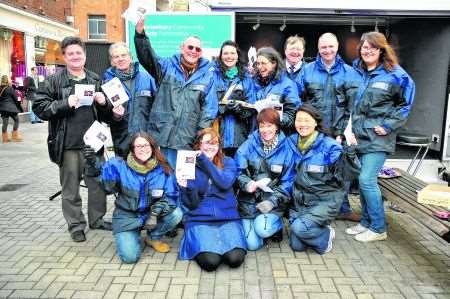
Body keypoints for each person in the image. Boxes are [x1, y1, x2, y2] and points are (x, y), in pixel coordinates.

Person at [33, 36, 111, 242]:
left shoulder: (95, 79)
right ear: (64, 57)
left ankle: (97, 219)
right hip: (67, 144)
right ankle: (76, 225)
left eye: (79, 53)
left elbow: (106, 115)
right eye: (71, 53)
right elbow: (40, 108)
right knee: (70, 189)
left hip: (94, 144)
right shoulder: (53, 81)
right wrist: (65, 103)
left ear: (84, 55)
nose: (75, 57)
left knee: (97, 185)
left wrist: (104, 104)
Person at [345, 32, 415, 242]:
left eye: (372, 48)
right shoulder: (360, 71)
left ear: (382, 50)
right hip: (360, 136)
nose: (368, 51)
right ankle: (366, 222)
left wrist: (388, 125)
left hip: (378, 137)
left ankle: (378, 227)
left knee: (367, 180)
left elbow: (406, 104)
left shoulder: (395, 74)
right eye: (364, 48)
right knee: (363, 178)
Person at [83, 132, 183, 263]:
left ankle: (153, 237)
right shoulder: (118, 165)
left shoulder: (163, 168)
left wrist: (154, 214)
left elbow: (171, 197)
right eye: (139, 146)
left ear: (152, 147)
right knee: (130, 257)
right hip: (126, 216)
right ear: (132, 149)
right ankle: (132, 233)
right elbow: (107, 187)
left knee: (176, 214)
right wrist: (92, 164)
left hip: (150, 214)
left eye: (146, 145)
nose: (143, 149)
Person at [133, 17, 217, 170]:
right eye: (190, 47)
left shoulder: (208, 76)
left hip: (187, 141)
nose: (193, 51)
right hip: (160, 137)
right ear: (181, 48)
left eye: (197, 49)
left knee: (183, 184)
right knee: (159, 181)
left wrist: (200, 138)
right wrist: (140, 35)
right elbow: (147, 57)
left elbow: (209, 110)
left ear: (201, 53)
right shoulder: (166, 67)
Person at [298, 32, 359, 222]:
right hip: (314, 133)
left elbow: (354, 107)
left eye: (331, 46)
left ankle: (343, 208)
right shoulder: (306, 71)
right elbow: (298, 102)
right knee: (314, 170)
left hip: (340, 134)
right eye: (323, 47)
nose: (327, 50)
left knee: (341, 172)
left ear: (337, 47)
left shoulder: (349, 73)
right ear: (318, 48)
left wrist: (342, 132)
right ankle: (317, 207)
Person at [177, 128, 246, 271]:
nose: (211, 146)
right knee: (211, 262)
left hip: (227, 217)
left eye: (215, 143)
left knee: (235, 259)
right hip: (199, 218)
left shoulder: (228, 162)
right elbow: (192, 204)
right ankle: (203, 241)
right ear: (199, 145)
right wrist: (187, 187)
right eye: (207, 142)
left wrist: (204, 160)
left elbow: (224, 182)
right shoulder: (188, 164)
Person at [235, 108, 296, 250]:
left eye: (270, 125)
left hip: (272, 203)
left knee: (262, 229)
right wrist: (246, 183)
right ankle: (259, 226)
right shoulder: (248, 144)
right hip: (249, 202)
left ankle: (277, 225)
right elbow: (237, 171)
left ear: (277, 127)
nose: (265, 130)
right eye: (262, 126)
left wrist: (272, 201)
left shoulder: (287, 149)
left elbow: (288, 182)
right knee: (252, 245)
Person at [288, 104, 346, 254]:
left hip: (325, 200)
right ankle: (316, 228)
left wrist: (350, 153)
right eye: (299, 120)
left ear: (316, 122)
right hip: (301, 202)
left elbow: (347, 173)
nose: (302, 124)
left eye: (307, 120)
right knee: (297, 246)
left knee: (298, 228)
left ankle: (326, 237)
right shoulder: (291, 142)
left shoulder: (330, 146)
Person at [103, 42, 157, 159]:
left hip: (146, 141)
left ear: (130, 57)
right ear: (112, 61)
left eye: (124, 55)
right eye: (116, 57)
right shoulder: (107, 83)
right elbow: (103, 115)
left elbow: (157, 107)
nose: (120, 59)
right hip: (123, 142)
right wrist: (115, 116)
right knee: (125, 175)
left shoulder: (146, 78)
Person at [212, 40, 256, 157]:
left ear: (237, 56)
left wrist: (240, 110)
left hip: (240, 138)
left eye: (232, 53)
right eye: (226, 53)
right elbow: (206, 104)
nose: (229, 56)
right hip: (217, 136)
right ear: (220, 56)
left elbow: (252, 107)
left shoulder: (246, 78)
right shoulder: (212, 76)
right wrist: (222, 108)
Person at [253, 47, 301, 134]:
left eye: (263, 63)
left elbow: (293, 116)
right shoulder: (254, 82)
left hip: (279, 137)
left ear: (274, 63)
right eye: (258, 63)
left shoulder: (287, 85)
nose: (260, 67)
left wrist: (274, 118)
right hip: (257, 136)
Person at [0, 75, 23, 143]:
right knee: (16, 120)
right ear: (7, 80)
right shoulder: (10, 88)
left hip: (3, 109)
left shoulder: (0, 88)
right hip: (11, 108)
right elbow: (15, 99)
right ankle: (14, 136)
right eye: (9, 79)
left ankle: (5, 138)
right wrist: (19, 106)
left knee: (5, 123)